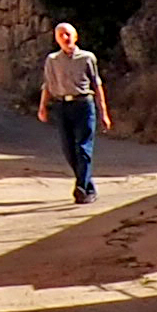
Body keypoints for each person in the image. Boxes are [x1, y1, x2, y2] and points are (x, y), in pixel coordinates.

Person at [36, 20, 107, 204]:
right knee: (69, 150)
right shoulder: (52, 60)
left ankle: (81, 188)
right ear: (56, 40)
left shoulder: (87, 58)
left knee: (83, 147)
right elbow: (48, 85)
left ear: (76, 37)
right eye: (61, 35)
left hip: (84, 105)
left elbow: (97, 85)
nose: (65, 38)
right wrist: (42, 107)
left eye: (68, 34)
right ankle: (87, 186)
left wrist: (103, 112)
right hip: (62, 106)